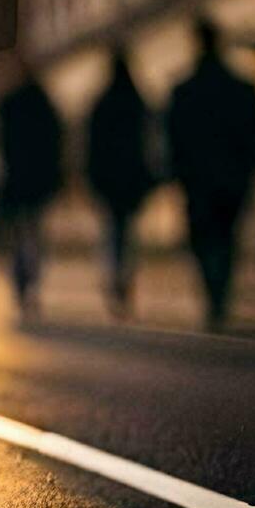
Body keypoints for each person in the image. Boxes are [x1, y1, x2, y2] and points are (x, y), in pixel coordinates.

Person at [167, 17, 255, 330]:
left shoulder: (184, 91)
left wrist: (177, 173)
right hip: (231, 178)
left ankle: (214, 292)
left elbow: (173, 139)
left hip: (198, 181)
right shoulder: (240, 87)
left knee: (204, 238)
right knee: (226, 236)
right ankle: (220, 292)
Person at [86, 52, 155, 318]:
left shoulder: (103, 103)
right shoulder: (137, 101)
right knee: (127, 232)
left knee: (114, 231)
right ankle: (123, 280)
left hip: (110, 180)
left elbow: (94, 145)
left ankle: (116, 278)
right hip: (131, 179)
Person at [0, 59, 64, 318]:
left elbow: (2, 142)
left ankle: (22, 283)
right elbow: (56, 141)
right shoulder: (43, 104)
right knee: (33, 234)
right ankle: (30, 281)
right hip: (37, 180)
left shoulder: (10, 104)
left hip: (18, 180)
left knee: (19, 235)